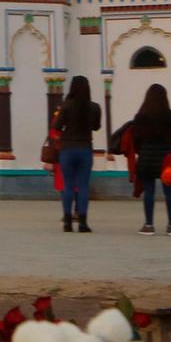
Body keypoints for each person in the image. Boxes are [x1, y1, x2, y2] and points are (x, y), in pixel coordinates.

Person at [128, 83, 171, 235]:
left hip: (147, 156)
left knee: (149, 191)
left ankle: (149, 224)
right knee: (169, 192)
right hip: (166, 158)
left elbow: (135, 137)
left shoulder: (141, 116)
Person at [54, 75, 101, 233]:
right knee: (83, 186)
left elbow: (57, 126)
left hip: (67, 149)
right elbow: (96, 127)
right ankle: (83, 222)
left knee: (68, 185)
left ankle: (67, 221)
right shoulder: (94, 107)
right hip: (85, 148)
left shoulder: (66, 106)